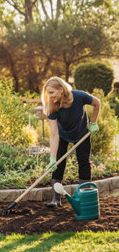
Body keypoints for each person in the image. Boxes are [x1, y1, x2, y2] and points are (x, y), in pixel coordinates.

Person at [42, 77, 101, 207]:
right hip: (62, 135)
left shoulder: (79, 96)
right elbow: (54, 134)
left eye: (51, 92)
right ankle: (55, 199)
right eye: (48, 93)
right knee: (58, 163)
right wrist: (52, 158)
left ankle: (84, 196)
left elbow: (97, 103)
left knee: (84, 162)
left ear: (61, 89)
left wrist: (93, 122)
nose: (49, 96)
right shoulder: (52, 106)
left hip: (81, 133)